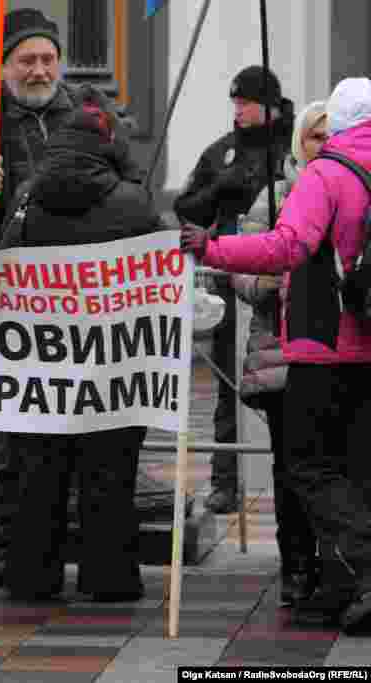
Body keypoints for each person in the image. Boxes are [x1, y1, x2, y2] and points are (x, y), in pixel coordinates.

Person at [181, 77, 371, 634]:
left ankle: (362, 568)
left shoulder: (327, 174)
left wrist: (211, 247)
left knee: (308, 466)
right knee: (357, 469)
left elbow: (287, 247)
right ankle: (345, 587)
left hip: (323, 342)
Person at [0, 6, 139, 587]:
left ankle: (59, 554)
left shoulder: (92, 113)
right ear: (4, 66)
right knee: (16, 434)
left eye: (47, 59)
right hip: (12, 303)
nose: (39, 70)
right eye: (26, 60)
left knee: (78, 436)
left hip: (87, 306)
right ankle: (17, 545)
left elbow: (130, 176)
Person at [0, 96, 160, 603]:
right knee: (110, 472)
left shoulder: (27, 195)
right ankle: (111, 578)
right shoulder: (133, 202)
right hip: (114, 360)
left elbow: (3, 264)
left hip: (40, 360)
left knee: (37, 473)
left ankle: (31, 577)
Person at [174, 65, 295, 514]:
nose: (238, 110)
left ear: (269, 105)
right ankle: (225, 479)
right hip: (229, 279)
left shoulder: (291, 149)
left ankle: (291, 479)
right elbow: (186, 208)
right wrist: (217, 191)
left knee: (287, 385)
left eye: (245, 102)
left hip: (282, 284)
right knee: (229, 382)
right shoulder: (221, 152)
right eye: (235, 102)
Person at [233, 100, 326, 606]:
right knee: (291, 468)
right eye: (316, 136)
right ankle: (296, 566)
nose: (325, 145)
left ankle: (338, 564)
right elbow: (241, 266)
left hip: (339, 356)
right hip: (281, 357)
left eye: (334, 135)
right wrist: (262, 281)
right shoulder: (274, 198)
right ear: (299, 143)